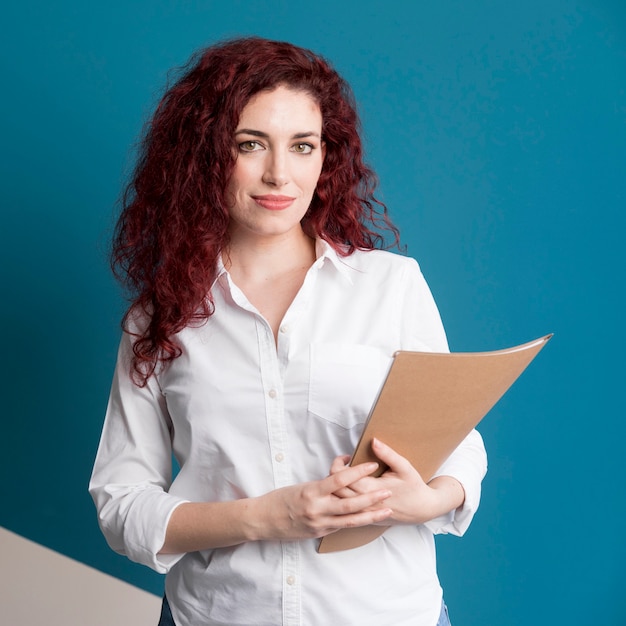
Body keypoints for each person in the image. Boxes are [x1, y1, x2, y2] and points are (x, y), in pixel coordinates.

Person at [89, 37, 487, 626]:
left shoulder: (391, 286)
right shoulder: (158, 317)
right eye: (251, 145)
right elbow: (122, 505)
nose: (280, 174)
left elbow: (458, 441)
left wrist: (428, 498)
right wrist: (269, 517)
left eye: (302, 146)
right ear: (205, 157)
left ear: (326, 157)